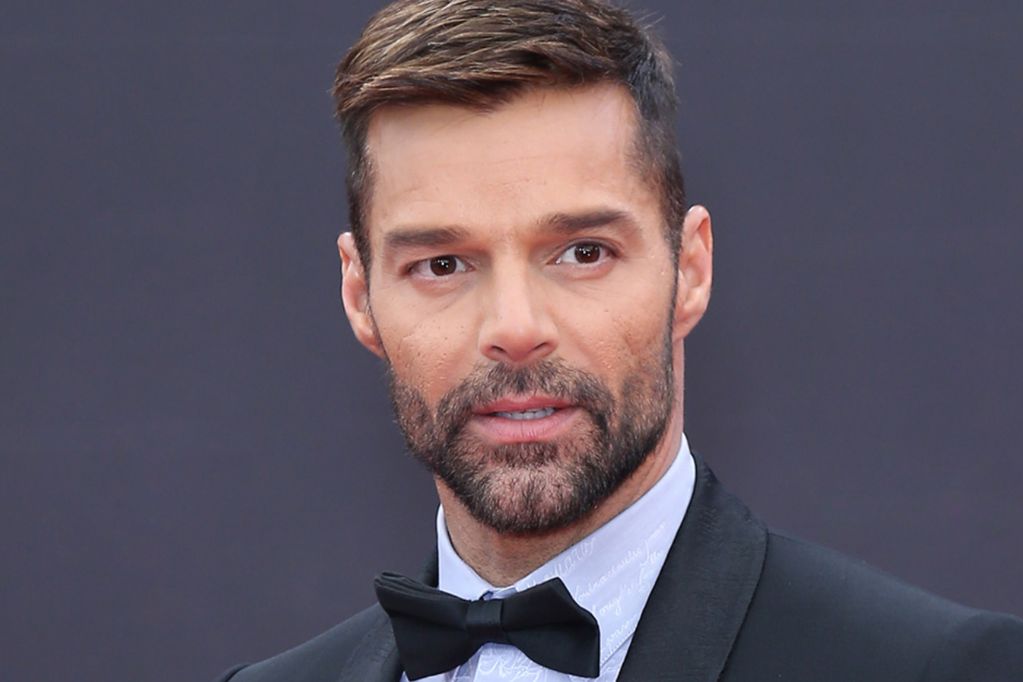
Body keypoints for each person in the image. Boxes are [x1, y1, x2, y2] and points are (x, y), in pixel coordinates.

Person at [217, 1, 1023, 680]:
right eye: (441, 264)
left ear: (690, 269)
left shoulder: (936, 668)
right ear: (359, 295)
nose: (515, 329)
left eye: (582, 253)